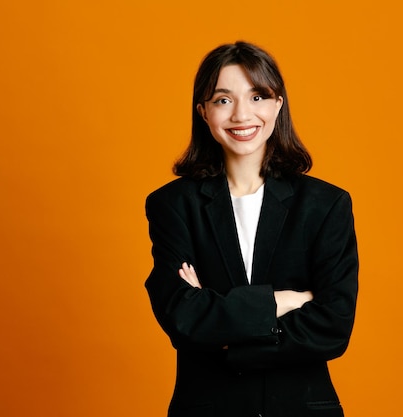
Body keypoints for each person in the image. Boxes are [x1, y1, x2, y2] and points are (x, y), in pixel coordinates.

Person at [144, 41, 359, 417]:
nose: (242, 115)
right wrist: (285, 302)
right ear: (204, 112)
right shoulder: (172, 205)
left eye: (258, 96)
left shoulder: (326, 205)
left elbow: (333, 326)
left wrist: (224, 331)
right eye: (223, 100)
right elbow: (182, 319)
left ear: (278, 105)